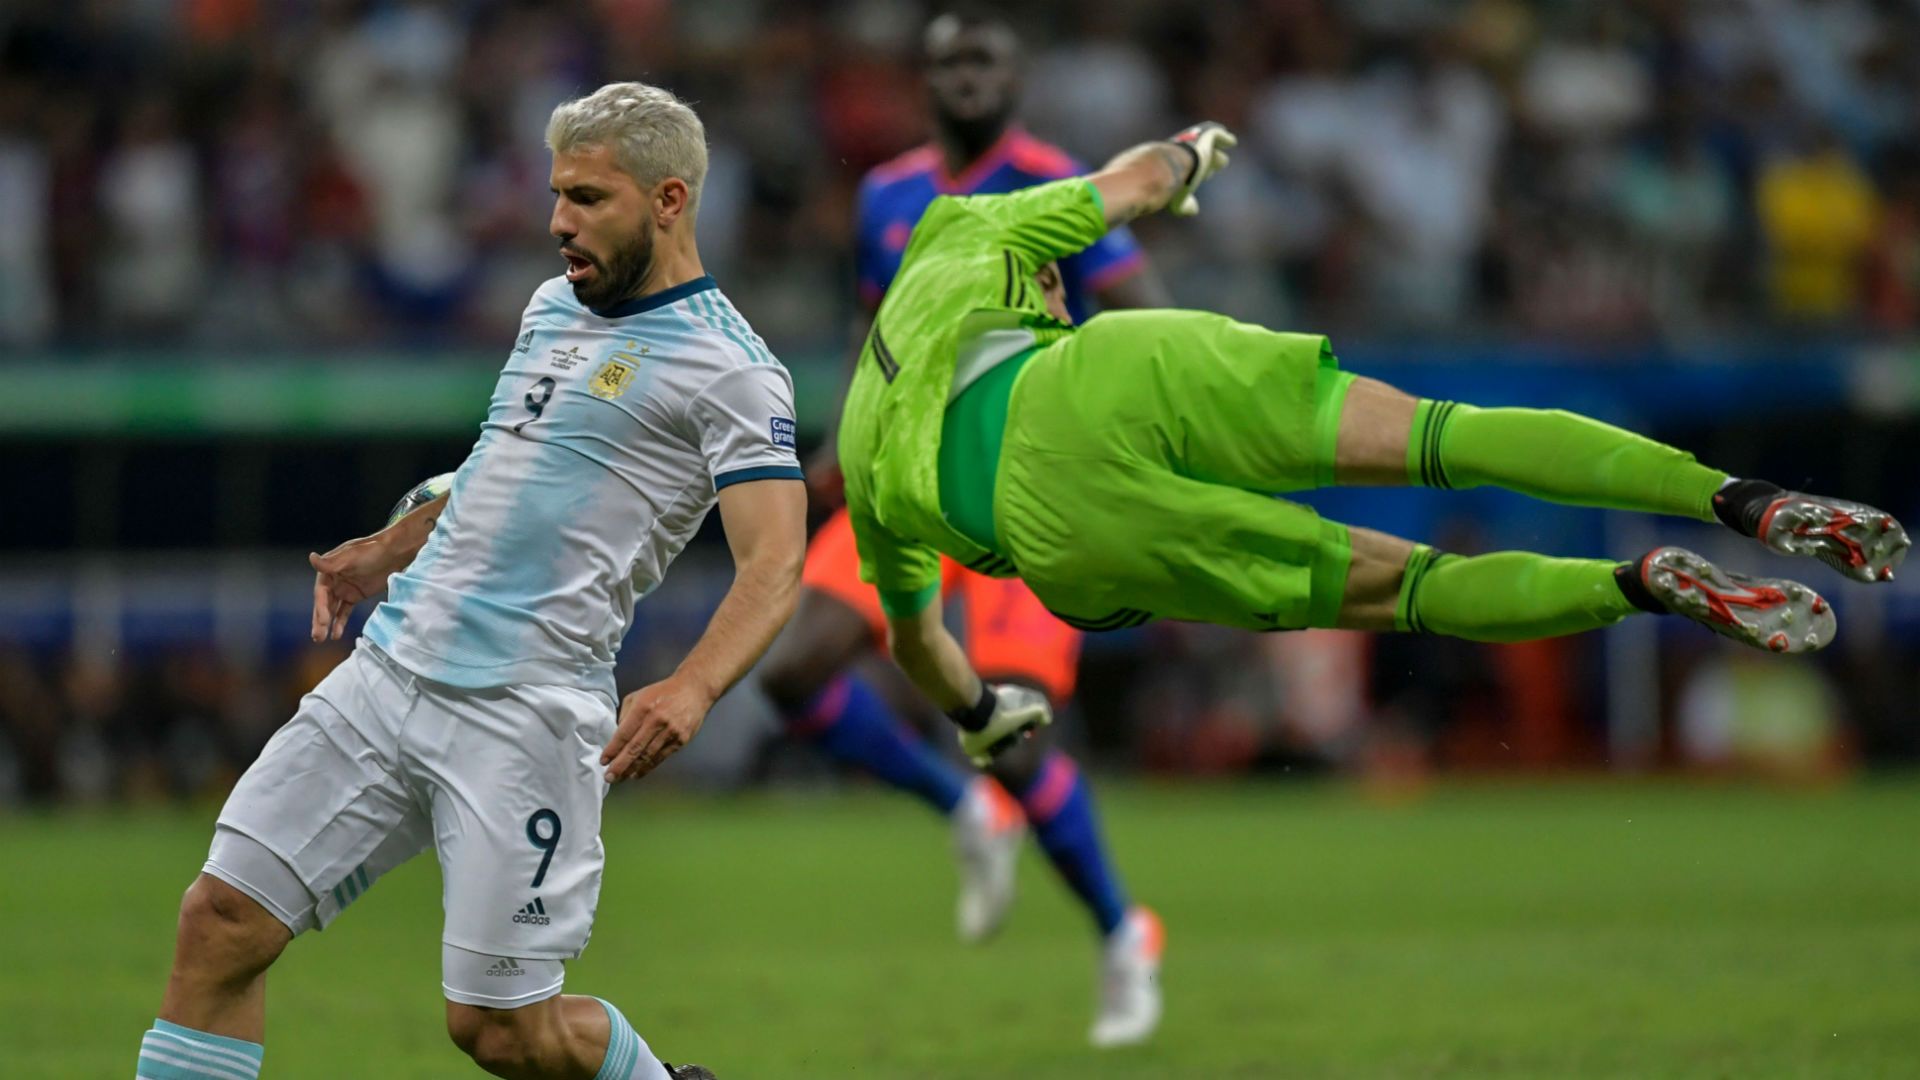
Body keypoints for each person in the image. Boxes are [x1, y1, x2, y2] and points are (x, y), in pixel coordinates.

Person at [835, 119, 1909, 770]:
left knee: (1418, 591)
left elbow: (923, 644)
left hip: (1057, 531)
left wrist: (983, 716)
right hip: (1111, 369)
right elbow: (1137, 187)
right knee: (1456, 435)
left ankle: (1638, 582)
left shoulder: (862, 452)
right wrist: (1192, 150)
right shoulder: (959, 227)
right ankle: (1735, 499)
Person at [134, 83, 807, 1080]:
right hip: (389, 675)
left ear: (670, 201)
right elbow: (505, 470)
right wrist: (388, 547)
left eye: (588, 198)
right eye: (555, 195)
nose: (556, 223)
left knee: (501, 1031)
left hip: (522, 718)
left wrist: (693, 686)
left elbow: (775, 561)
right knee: (221, 920)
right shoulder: (550, 307)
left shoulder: (732, 372)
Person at [757, 10, 1166, 1048]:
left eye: (986, 57)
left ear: (1017, 75)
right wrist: (836, 455)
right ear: (926, 78)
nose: (968, 75)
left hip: (1021, 492)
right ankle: (958, 812)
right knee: (791, 671)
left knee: (1014, 737)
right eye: (950, 60)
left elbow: (1140, 309)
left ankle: (1124, 933)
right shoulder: (888, 193)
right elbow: (871, 326)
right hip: (903, 473)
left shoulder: (1062, 184)